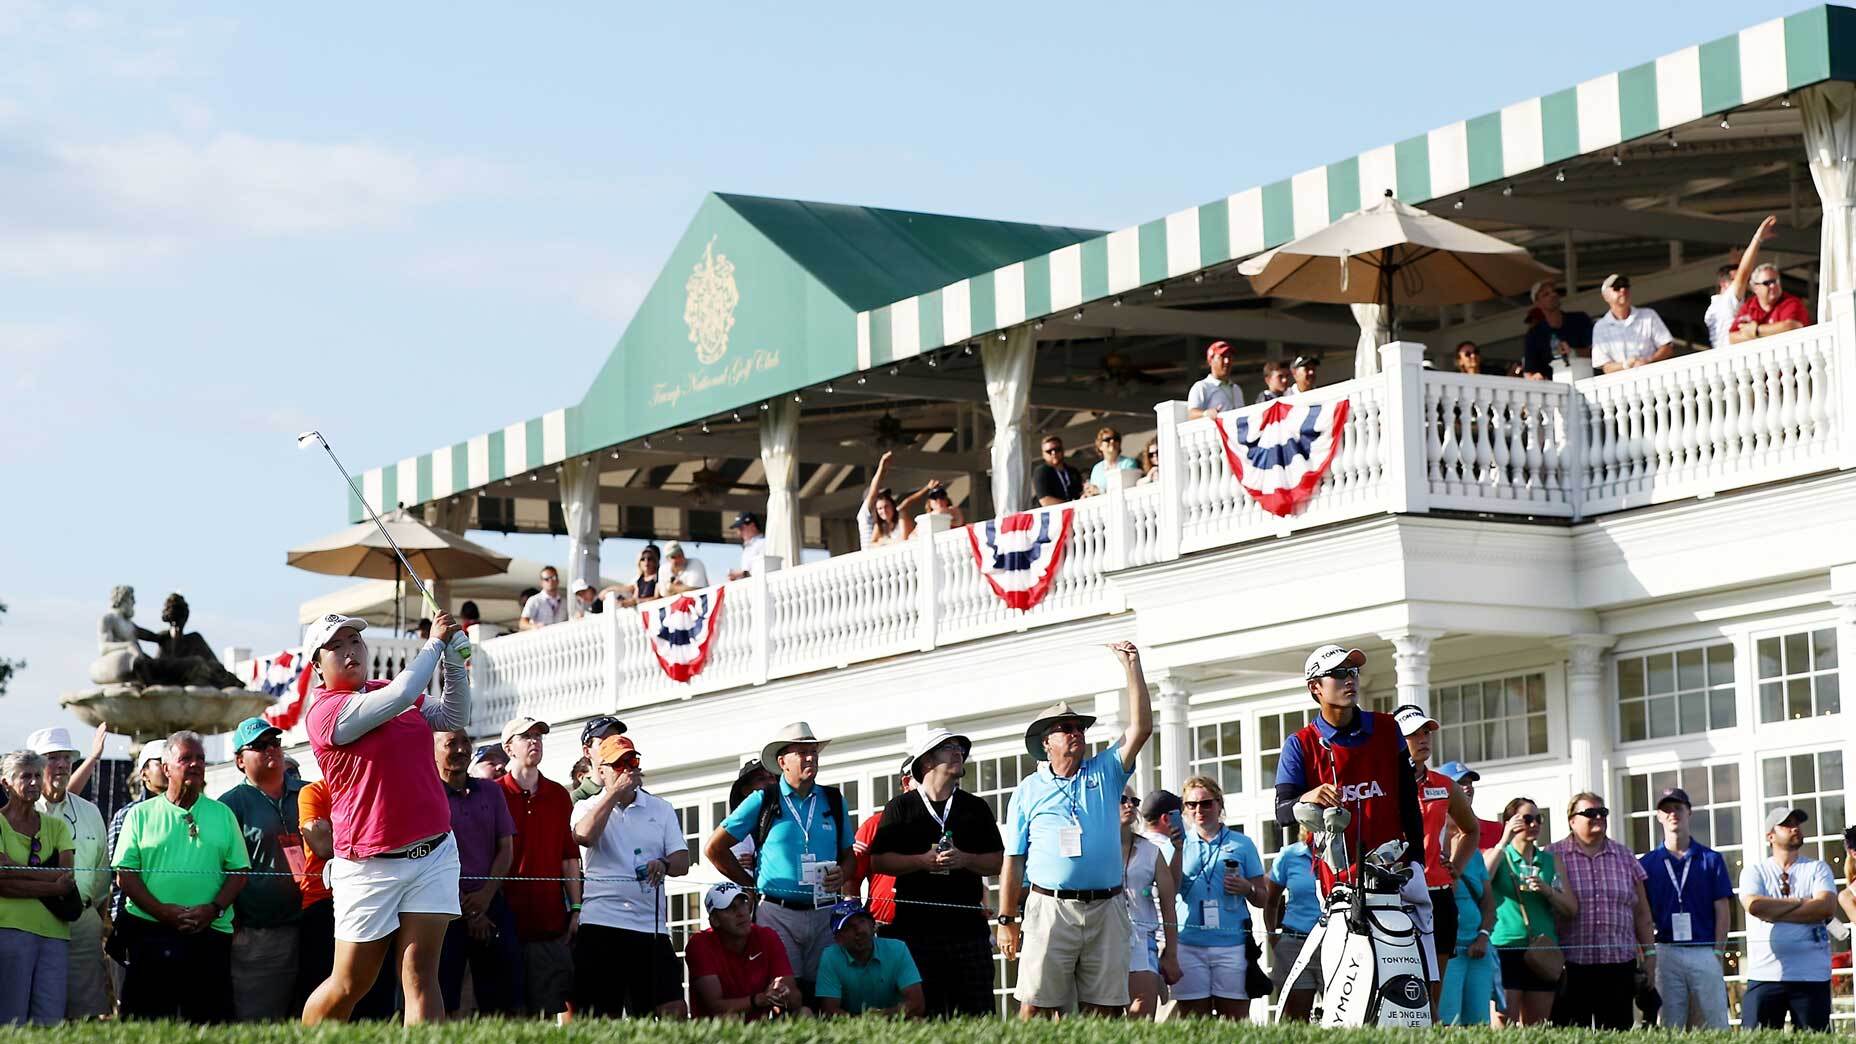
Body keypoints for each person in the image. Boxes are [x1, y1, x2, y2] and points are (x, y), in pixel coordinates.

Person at [300, 610, 470, 1026]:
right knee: (350, 983)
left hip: (433, 852)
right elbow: (397, 696)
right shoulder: (325, 714)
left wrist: (453, 662)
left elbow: (452, 718)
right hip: (369, 864)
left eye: (354, 641)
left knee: (420, 976)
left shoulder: (389, 689)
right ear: (318, 667)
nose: (349, 651)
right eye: (334, 646)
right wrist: (434, 644)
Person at [996, 641, 1153, 1018]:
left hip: (1108, 905)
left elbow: (1142, 728)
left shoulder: (1106, 771)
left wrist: (1132, 666)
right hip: (1050, 906)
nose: (1075, 732)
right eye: (1065, 728)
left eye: (1078, 727)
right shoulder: (1027, 791)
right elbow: (1013, 861)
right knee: (1034, 1008)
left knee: (1107, 1009)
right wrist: (1006, 920)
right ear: (1045, 743)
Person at [705, 722, 856, 993]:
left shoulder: (834, 799)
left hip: (824, 910)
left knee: (825, 993)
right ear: (782, 761)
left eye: (813, 751)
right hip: (776, 912)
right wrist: (749, 883)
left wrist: (843, 873)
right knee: (784, 992)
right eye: (801, 752)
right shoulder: (763, 799)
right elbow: (714, 848)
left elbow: (849, 857)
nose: (810, 757)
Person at [1273, 647, 1427, 911]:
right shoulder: (1299, 744)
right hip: (1337, 882)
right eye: (1339, 673)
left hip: (1395, 873)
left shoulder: (1388, 728)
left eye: (1353, 672)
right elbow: (1282, 813)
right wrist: (1307, 797)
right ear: (1315, 687)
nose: (1350, 679)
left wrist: (1416, 861)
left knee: (1422, 948)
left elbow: (1408, 800)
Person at [113, 732, 248, 1022]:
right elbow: (125, 876)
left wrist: (212, 910)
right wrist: (163, 912)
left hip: (209, 932)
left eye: (200, 758)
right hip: (150, 931)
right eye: (186, 758)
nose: (196, 764)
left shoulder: (222, 814)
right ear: (166, 768)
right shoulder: (139, 815)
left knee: (210, 1025)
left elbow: (239, 872)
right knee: (145, 1024)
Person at [868, 728, 1004, 1017]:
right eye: (948, 748)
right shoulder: (900, 807)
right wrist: (921, 861)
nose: (958, 752)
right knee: (925, 1018)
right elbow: (879, 861)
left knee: (978, 1017)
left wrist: (964, 859)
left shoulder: (975, 807)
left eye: (960, 747)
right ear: (927, 761)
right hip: (916, 931)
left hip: (968, 929)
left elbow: (997, 862)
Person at [572, 733, 688, 1018]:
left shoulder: (661, 809)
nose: (627, 769)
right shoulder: (587, 806)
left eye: (632, 761)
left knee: (666, 1010)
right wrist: (612, 794)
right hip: (602, 922)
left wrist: (663, 862)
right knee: (598, 1016)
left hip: (650, 926)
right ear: (601, 771)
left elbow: (682, 860)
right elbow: (584, 836)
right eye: (618, 764)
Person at [216, 717, 307, 1020]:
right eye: (259, 745)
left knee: (310, 1020)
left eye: (275, 743)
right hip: (258, 933)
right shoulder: (229, 805)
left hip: (313, 924)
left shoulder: (308, 793)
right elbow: (221, 869)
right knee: (258, 1021)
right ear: (240, 760)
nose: (271, 749)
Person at [1393, 703, 1480, 1003]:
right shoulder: (1385, 785)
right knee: (1398, 984)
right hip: (1396, 895)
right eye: (1413, 734)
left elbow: (1472, 830)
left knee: (1433, 993)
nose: (1423, 739)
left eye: (1426, 732)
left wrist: (1455, 866)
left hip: (1437, 894)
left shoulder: (1444, 785)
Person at [1544, 791, 1653, 1029]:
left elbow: (1642, 914)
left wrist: (1650, 959)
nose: (1598, 818)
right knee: (1572, 1036)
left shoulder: (1624, 855)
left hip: (1618, 965)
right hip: (1570, 967)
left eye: (1602, 813)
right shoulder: (1551, 856)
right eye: (1590, 813)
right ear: (1572, 820)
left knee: (1617, 1035)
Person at [495, 716, 581, 1018]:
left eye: (539, 736)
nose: (535, 741)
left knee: (545, 1014)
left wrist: (576, 908)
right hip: (502, 919)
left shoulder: (558, 795)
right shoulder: (493, 793)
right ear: (509, 747)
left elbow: (569, 858)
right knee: (508, 1015)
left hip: (549, 922)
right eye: (526, 736)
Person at [433, 728, 520, 1017]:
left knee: (503, 1000)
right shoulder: (427, 794)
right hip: (444, 906)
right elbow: (431, 854)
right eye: (451, 743)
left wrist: (484, 898)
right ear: (431, 750)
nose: (461, 749)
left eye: (465, 741)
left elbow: (505, 848)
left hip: (490, 901)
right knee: (446, 997)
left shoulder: (491, 790)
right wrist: (470, 910)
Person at [25, 727, 110, 1020]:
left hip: (83, 920)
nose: (61, 764)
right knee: (35, 1010)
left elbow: (102, 872)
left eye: (66, 757)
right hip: (30, 920)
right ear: (33, 767)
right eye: (52, 757)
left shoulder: (90, 812)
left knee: (86, 1012)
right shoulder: (18, 813)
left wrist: (94, 915)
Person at [1171, 775, 1265, 1020]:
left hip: (1232, 944)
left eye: (1206, 803)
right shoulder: (1178, 845)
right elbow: (1167, 892)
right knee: (1194, 1024)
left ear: (1219, 805)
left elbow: (1263, 899)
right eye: (1191, 805)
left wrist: (1247, 888)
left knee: (1234, 1021)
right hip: (1188, 943)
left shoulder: (1242, 843)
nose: (1198, 810)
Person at [1639, 786, 1733, 1029]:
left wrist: (1718, 952)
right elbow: (1642, 915)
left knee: (1715, 1021)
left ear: (1689, 812)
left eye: (1678, 808)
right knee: (1671, 1023)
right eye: (1666, 809)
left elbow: (1722, 909)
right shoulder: (1647, 864)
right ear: (1659, 816)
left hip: (1703, 949)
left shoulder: (1710, 859)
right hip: (1666, 949)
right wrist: (1648, 954)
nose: (1673, 814)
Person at [1739, 807, 1837, 1031]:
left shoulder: (1817, 868)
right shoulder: (1755, 871)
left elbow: (1826, 907)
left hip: (1811, 975)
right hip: (1765, 974)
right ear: (1770, 836)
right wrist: (1799, 902)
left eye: (1797, 823)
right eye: (1786, 824)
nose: (1795, 828)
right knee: (1757, 1039)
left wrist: (1774, 912)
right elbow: (1755, 906)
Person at [0, 750, 76, 1026]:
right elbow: (2, 884)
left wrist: (13, 869)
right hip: (8, 931)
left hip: (55, 934)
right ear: (6, 783)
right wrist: (51, 883)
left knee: (49, 1023)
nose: (33, 782)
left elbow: (67, 877)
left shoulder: (57, 827)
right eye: (25, 776)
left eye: (36, 775)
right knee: (10, 1021)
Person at [1485, 796, 1577, 1026]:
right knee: (1503, 1022)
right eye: (1527, 819)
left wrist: (1547, 890)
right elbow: (1481, 880)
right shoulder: (1500, 855)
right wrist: (1503, 840)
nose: (1534, 824)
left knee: (1537, 1026)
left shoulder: (1549, 860)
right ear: (1510, 822)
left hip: (1542, 948)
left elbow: (1571, 908)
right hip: (1506, 946)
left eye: (1538, 818)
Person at [685, 882, 804, 1019]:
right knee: (730, 1019)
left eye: (743, 903)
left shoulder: (767, 936)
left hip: (761, 1025)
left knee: (804, 1013)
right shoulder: (699, 943)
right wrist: (758, 999)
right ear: (714, 921)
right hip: (714, 1031)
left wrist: (782, 993)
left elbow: (795, 999)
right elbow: (715, 1007)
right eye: (730, 908)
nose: (741, 912)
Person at [1120, 786, 1179, 1020]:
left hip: (1142, 940)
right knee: (1102, 1019)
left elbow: (1169, 904)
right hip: (1101, 939)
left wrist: (1171, 954)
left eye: (1134, 800)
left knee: (1142, 1014)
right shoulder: (1094, 847)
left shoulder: (1151, 851)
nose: (1130, 804)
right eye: (1122, 799)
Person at [815, 899, 924, 1017]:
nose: (859, 931)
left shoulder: (897, 948)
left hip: (895, 1021)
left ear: (873, 925)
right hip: (852, 1028)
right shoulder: (830, 956)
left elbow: (917, 1005)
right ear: (838, 939)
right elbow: (829, 1011)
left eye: (862, 922)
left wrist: (880, 1016)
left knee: (918, 1021)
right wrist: (861, 1022)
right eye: (849, 927)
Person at [1436, 820, 1497, 1025]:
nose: (1468, 791)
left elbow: (1489, 903)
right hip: (1447, 952)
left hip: (1478, 950)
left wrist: (1483, 936)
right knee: (1448, 1022)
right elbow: (1444, 896)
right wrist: (1453, 859)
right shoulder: (1432, 852)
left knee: (1479, 1024)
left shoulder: (1475, 855)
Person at [848, 755, 910, 931]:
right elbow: (853, 878)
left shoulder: (944, 823)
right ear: (906, 783)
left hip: (932, 927)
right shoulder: (876, 823)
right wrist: (856, 922)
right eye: (919, 778)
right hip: (882, 925)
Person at [1266, 828, 1321, 1022]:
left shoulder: (1345, 853)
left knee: (1342, 1020)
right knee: (1295, 1023)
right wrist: (1273, 939)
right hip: (1295, 944)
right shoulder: (1289, 855)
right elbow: (1271, 901)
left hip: (1336, 944)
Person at [1710, 215, 1779, 348]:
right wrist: (1758, 238)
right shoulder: (1727, 303)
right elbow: (1743, 275)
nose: (1743, 284)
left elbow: (1740, 276)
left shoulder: (1715, 308)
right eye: (1735, 280)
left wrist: (1735, 265)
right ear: (1724, 284)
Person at [1591, 274, 1675, 373]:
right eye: (1617, 287)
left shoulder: (1649, 315)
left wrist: (1648, 361)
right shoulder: (1600, 327)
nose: (1623, 290)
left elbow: (1668, 347)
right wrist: (1626, 364)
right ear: (1606, 296)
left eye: (1625, 286)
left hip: (1653, 378)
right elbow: (1606, 367)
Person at [1731, 254, 1812, 345]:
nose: (1773, 286)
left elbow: (1791, 326)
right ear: (1755, 288)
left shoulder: (1791, 302)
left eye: (1775, 281)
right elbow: (1732, 337)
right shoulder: (1748, 306)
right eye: (1767, 283)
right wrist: (1771, 331)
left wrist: (1756, 330)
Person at [1522, 280, 1595, 379]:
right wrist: (1537, 379)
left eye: (1554, 291)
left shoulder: (1580, 319)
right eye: (1546, 294)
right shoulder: (1534, 334)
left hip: (1586, 380)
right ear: (1537, 303)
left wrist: (1573, 352)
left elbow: (1596, 352)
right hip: (1555, 390)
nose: (1553, 295)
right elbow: (1529, 372)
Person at [569, 716, 628, 803]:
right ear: (587, 752)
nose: (612, 748)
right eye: (603, 743)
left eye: (616, 742)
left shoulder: (630, 790)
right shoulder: (576, 798)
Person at [857, 452, 905, 548]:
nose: (880, 501)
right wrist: (882, 468)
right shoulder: (865, 514)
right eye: (877, 498)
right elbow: (874, 487)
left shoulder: (881, 520)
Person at [1187, 340, 1244, 418]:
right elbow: (1191, 414)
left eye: (1229, 357)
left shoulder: (1236, 388)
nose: (1227, 361)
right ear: (1210, 361)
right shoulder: (1202, 386)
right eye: (1222, 357)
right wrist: (1206, 413)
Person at [1083, 427, 1139, 496]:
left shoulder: (1128, 463)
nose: (1112, 441)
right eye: (1107, 439)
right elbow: (1093, 491)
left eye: (1116, 439)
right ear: (1100, 446)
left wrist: (1101, 491)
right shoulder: (1096, 469)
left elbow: (1126, 488)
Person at [1032, 435, 1083, 506]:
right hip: (1052, 514)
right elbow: (1045, 501)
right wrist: (1072, 505)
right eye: (1049, 451)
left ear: (1063, 450)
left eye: (1057, 449)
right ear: (1043, 454)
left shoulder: (1072, 471)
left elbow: (1080, 492)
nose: (1054, 453)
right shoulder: (1041, 471)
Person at [727, 514, 766, 580]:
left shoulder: (763, 543)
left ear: (753, 526)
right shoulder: (748, 547)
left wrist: (741, 574)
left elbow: (762, 569)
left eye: (741, 528)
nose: (739, 533)